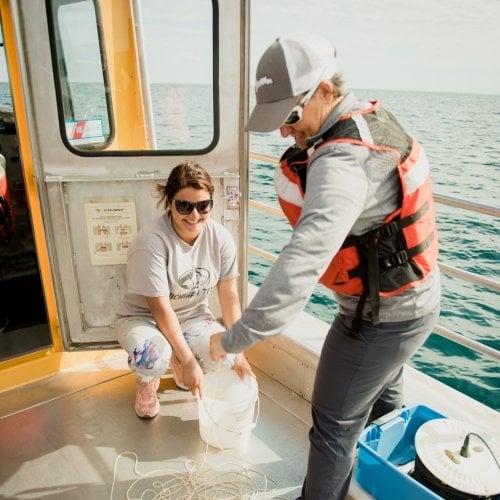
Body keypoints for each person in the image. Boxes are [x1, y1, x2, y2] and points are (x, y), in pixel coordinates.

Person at [210, 33, 441, 499]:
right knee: (382, 399)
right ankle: (383, 485)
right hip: (411, 304)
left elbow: (302, 261)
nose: (284, 132)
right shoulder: (362, 124)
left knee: (333, 424)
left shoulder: (341, 162)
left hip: (378, 319)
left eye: (290, 117)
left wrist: (234, 338)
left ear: (326, 92)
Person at [115, 160, 253, 419]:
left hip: (192, 316)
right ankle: (149, 379)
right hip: (144, 318)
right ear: (169, 203)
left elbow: (229, 295)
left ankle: (181, 361)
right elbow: (160, 309)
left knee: (227, 358)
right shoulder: (151, 243)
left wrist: (239, 350)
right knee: (152, 358)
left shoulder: (220, 238)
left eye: (203, 205)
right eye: (184, 205)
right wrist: (189, 360)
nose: (194, 215)